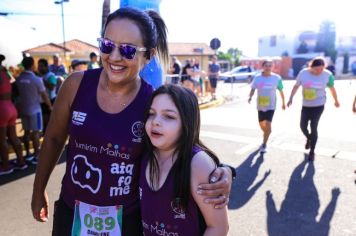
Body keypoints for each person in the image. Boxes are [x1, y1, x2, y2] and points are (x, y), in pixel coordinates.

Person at [31, 7, 232, 236]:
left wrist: (223, 171)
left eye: (128, 50)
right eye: (107, 45)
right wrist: (38, 190)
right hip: (72, 212)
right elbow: (54, 139)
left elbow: (182, 149)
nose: (115, 57)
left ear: (149, 55)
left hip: (127, 221)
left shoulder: (152, 103)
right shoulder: (75, 85)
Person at [140, 84, 229, 236]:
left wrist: (226, 171)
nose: (155, 121)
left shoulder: (198, 163)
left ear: (186, 123)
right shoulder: (146, 154)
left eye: (169, 116)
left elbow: (219, 227)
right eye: (151, 113)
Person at [287, 57, 340, 161]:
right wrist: (290, 98)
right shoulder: (303, 73)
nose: (319, 71)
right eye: (317, 69)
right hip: (306, 105)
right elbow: (296, 86)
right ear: (311, 67)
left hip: (319, 105)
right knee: (302, 126)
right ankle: (309, 138)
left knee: (313, 126)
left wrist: (336, 100)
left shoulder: (327, 75)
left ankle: (312, 151)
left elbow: (332, 88)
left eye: (321, 69)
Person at [16, 56, 52, 164]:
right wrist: (50, 107)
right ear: (33, 65)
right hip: (35, 110)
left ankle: (28, 154)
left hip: (23, 109)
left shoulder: (18, 79)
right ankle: (37, 154)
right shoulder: (36, 79)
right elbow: (45, 95)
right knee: (36, 133)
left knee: (26, 132)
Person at [248, 59, 285, 153]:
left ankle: (264, 144)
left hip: (271, 105)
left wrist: (283, 102)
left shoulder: (277, 78)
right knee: (261, 124)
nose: (268, 67)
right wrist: (250, 97)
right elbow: (253, 88)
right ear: (263, 67)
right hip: (260, 105)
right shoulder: (257, 78)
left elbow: (281, 90)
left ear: (272, 67)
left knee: (268, 124)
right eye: (266, 65)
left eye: (270, 65)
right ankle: (267, 133)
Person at [0, 54, 27, 175]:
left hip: (2, 108)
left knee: (2, 140)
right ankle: (21, 162)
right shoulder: (6, 74)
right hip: (11, 107)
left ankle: (6, 166)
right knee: (13, 136)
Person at [38, 58, 58, 133]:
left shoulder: (51, 75)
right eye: (38, 66)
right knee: (44, 121)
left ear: (46, 67)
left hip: (51, 100)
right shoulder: (40, 76)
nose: (39, 68)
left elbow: (52, 87)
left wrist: (41, 80)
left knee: (50, 121)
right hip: (43, 101)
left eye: (41, 66)